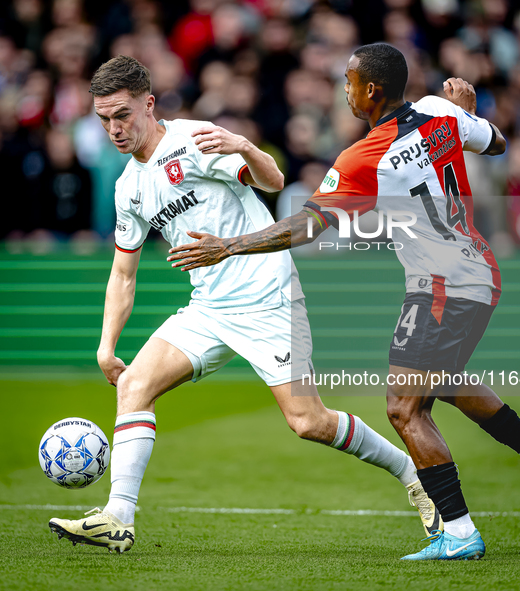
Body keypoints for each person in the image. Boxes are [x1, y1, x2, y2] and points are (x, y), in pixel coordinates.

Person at [167, 43, 520, 561]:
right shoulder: (440, 111)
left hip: (443, 282)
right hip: (475, 268)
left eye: (349, 81)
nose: (345, 90)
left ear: (371, 90)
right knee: (441, 381)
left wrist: (229, 245)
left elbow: (309, 224)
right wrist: (466, 112)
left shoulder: (363, 156)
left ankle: (461, 532)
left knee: (403, 409)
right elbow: (496, 143)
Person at [48, 55, 441, 554]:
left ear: (149, 104)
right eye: (104, 119)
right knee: (133, 384)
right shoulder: (129, 186)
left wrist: (243, 145)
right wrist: (107, 346)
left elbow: (275, 182)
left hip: (268, 296)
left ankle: (412, 473)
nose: (114, 128)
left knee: (308, 423)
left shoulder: (192, 140)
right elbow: (122, 274)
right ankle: (117, 517)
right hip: (208, 306)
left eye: (122, 114)